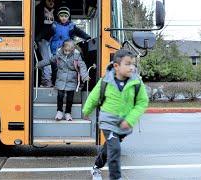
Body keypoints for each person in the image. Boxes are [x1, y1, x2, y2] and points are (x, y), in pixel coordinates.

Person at [82, 49, 149, 180]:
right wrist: (86, 110)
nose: (132, 67)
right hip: (108, 121)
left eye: (133, 64)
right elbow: (94, 97)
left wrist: (130, 119)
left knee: (110, 148)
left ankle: (96, 167)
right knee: (115, 150)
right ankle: (116, 177)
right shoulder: (105, 81)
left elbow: (142, 102)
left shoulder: (137, 82)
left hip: (124, 124)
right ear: (116, 66)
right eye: (128, 64)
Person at [37, 40, 90, 121]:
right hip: (60, 79)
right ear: (62, 48)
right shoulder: (59, 55)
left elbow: (82, 66)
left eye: (69, 51)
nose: (67, 52)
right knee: (60, 96)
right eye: (65, 50)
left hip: (72, 80)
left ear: (73, 49)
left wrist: (85, 76)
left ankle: (68, 113)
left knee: (70, 98)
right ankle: (59, 111)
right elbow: (50, 60)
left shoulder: (76, 56)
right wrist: (39, 64)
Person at [48, 6, 91, 85]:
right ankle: (55, 83)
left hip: (68, 49)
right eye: (61, 16)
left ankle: (75, 81)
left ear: (68, 16)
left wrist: (88, 37)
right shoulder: (54, 26)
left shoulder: (71, 26)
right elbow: (45, 33)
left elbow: (80, 32)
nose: (64, 18)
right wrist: (37, 39)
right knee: (55, 66)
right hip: (55, 50)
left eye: (66, 16)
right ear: (58, 16)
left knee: (71, 65)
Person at [35, 0, 57, 87]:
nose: (51, 2)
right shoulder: (39, 9)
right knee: (47, 60)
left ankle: (47, 80)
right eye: (49, 0)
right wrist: (36, 39)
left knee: (50, 59)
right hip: (41, 39)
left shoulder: (55, 10)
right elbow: (38, 25)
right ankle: (46, 81)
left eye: (53, 1)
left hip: (49, 39)